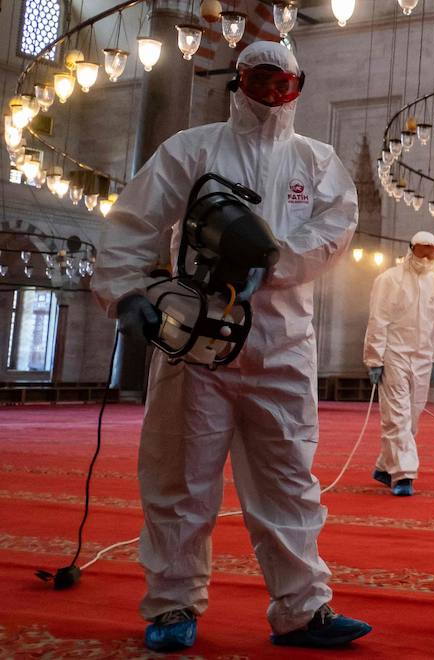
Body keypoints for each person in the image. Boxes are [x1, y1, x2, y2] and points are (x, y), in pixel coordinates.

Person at [92, 40, 371, 651]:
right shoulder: (193, 149)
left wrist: (269, 263)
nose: (272, 95)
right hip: (193, 344)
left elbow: (334, 225)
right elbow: (133, 221)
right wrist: (127, 293)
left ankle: (301, 610)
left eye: (284, 85)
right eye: (261, 80)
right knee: (182, 478)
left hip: (282, 346)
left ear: (298, 88)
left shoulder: (318, 163)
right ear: (239, 80)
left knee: (289, 481)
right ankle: (171, 608)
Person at [363, 230, 434, 497]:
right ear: (410, 249)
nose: (425, 258)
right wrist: (374, 358)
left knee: (411, 419)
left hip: (422, 358)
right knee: (397, 417)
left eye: (431, 252)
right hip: (394, 356)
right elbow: (378, 320)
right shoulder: (389, 280)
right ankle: (404, 475)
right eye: (421, 251)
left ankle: (384, 467)